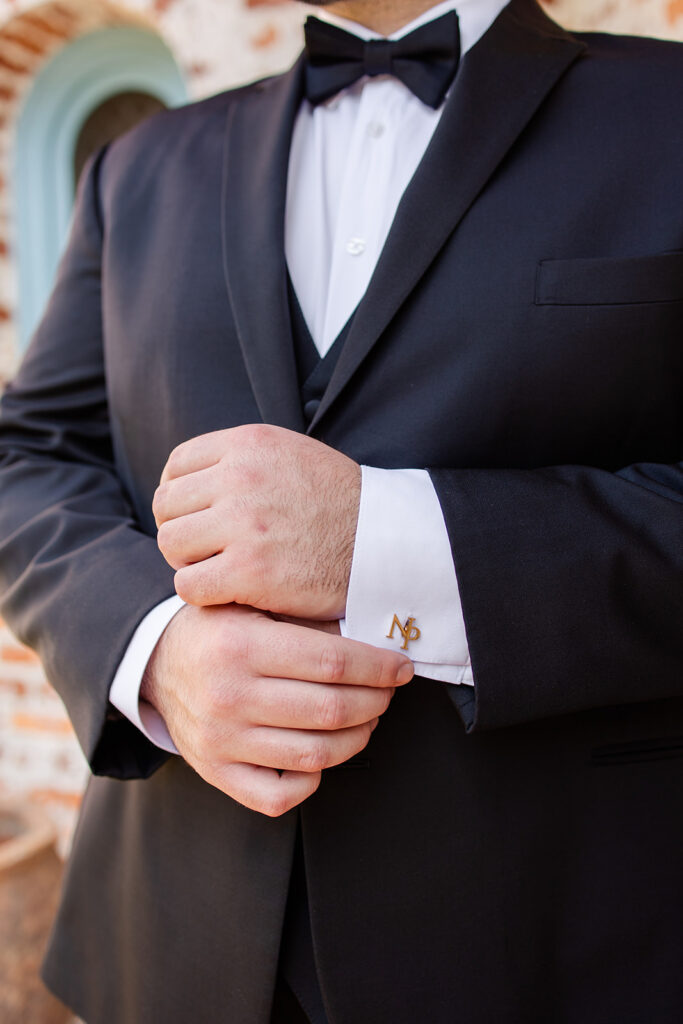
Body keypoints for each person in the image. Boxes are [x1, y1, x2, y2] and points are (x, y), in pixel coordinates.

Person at [0, 0, 682, 1020]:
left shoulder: (662, 113)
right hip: (170, 946)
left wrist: (381, 545)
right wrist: (153, 645)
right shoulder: (136, 163)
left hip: (568, 940)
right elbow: (26, 453)